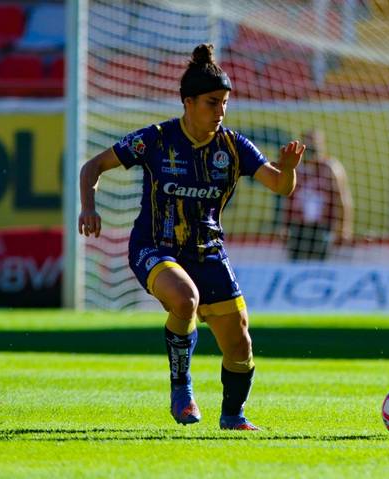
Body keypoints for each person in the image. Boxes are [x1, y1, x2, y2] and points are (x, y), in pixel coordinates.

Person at [78, 44, 305, 430]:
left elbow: (281, 186)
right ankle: (181, 387)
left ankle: (233, 416)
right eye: (213, 102)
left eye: (225, 103)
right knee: (185, 300)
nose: (221, 111)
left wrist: (288, 170)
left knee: (240, 345)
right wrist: (89, 207)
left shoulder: (234, 147)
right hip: (154, 246)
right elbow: (93, 166)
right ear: (188, 102)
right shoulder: (155, 139)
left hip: (208, 252)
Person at [284, 129, 353, 261]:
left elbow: (343, 200)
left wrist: (344, 228)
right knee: (296, 262)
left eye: (314, 146)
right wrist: (285, 226)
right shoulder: (296, 169)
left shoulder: (330, 168)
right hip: (298, 227)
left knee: (319, 263)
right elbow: (288, 200)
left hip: (322, 228)